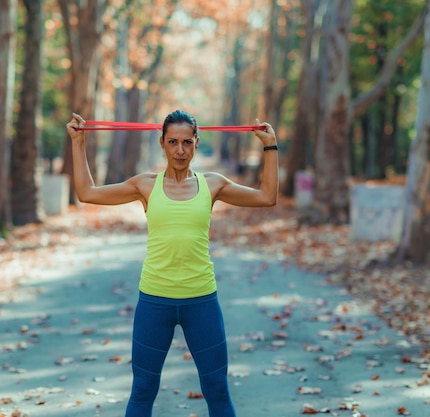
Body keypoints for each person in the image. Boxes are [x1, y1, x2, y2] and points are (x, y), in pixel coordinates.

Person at [66, 110, 278, 417]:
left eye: (187, 143)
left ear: (196, 143)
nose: (180, 150)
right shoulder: (145, 185)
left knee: (217, 389)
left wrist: (270, 147)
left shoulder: (212, 184)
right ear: (162, 143)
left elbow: (267, 197)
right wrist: (78, 142)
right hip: (154, 302)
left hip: (201, 301)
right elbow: (87, 193)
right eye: (173, 142)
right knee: (142, 390)